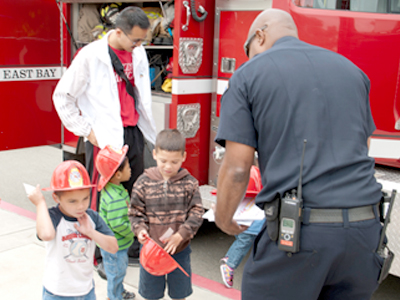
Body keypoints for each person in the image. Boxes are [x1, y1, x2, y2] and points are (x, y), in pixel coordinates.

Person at [214, 8, 384, 300]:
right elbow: (362, 146)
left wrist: (224, 219)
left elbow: (238, 168)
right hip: (365, 231)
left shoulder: (248, 75)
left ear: (260, 35)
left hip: (299, 235)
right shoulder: (351, 70)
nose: (249, 57)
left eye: (248, 49)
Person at [53, 6, 156, 270]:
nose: (139, 45)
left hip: (132, 132)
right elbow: (62, 96)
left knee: (133, 193)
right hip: (104, 140)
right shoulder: (90, 56)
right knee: (101, 198)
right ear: (118, 31)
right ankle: (100, 256)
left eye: (142, 40)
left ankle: (130, 248)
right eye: (135, 40)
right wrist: (87, 131)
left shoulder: (139, 53)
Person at [129, 129, 204, 300]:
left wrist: (181, 235)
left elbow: (197, 212)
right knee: (151, 294)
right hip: (151, 250)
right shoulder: (143, 182)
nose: (168, 166)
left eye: (174, 161)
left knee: (180, 294)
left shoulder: (190, 183)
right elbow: (135, 212)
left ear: (184, 157)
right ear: (154, 154)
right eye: (163, 161)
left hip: (179, 249)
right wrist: (140, 229)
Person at [27, 160, 118, 300]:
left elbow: (113, 247)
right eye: (72, 201)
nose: (81, 206)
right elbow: (46, 234)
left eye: (85, 198)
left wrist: (90, 232)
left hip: (86, 290)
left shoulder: (91, 217)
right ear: (56, 197)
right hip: (57, 292)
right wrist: (40, 204)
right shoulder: (53, 216)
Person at [95, 145, 136, 300]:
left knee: (118, 272)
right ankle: (114, 297)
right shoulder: (115, 198)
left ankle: (119, 292)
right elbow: (118, 224)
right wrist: (134, 230)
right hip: (115, 246)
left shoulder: (113, 189)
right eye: (128, 167)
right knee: (116, 274)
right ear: (118, 174)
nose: (131, 169)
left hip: (114, 245)